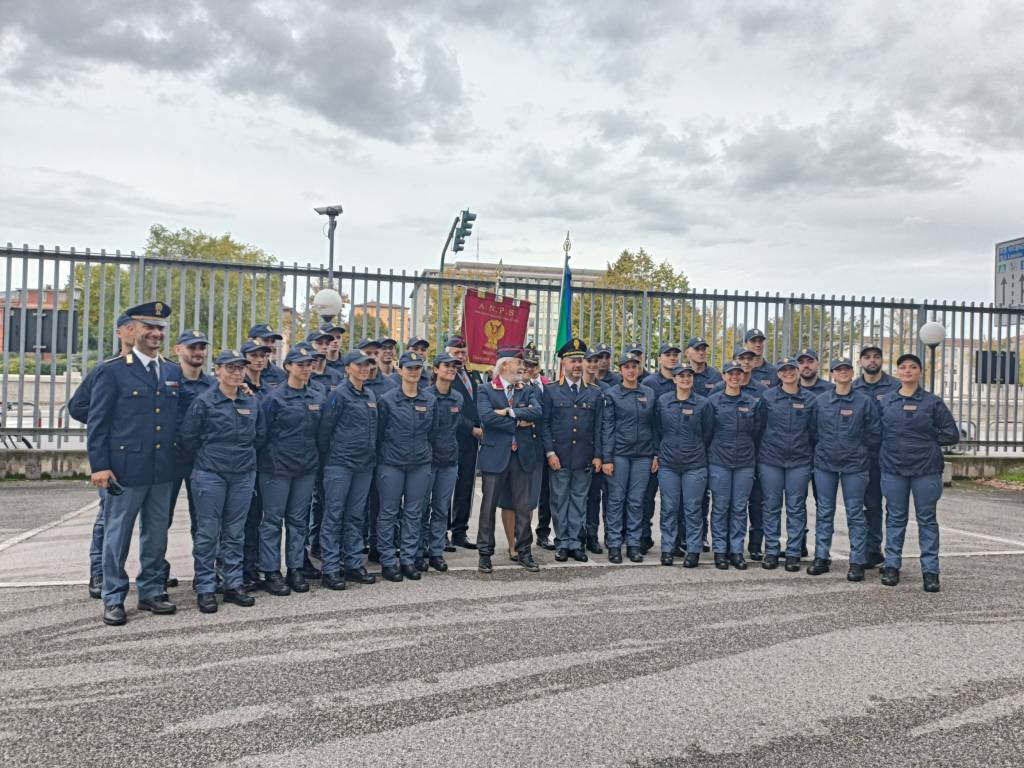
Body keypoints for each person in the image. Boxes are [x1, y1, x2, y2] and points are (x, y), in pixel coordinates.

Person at [86, 301, 182, 626]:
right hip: (125, 471)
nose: (155, 333)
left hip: (161, 470)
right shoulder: (112, 370)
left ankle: (152, 591)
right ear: (133, 329)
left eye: (160, 329)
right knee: (117, 536)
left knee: (156, 535)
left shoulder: (171, 371)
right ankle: (113, 597)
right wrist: (99, 466)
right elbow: (97, 423)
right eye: (148, 327)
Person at [180, 348, 265, 613]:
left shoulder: (251, 401)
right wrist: (210, 459)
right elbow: (189, 438)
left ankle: (233, 584)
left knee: (235, 532)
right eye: (230, 368)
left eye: (240, 368)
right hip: (210, 474)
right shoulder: (204, 402)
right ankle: (206, 587)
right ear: (217, 370)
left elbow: (260, 436)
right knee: (207, 533)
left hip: (242, 474)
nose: (236, 373)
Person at [878, 352, 959, 592]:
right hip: (893, 468)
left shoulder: (932, 402)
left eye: (913, 367)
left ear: (920, 372)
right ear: (898, 372)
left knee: (926, 520)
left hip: (926, 469)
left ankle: (930, 571)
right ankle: (891, 566)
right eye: (903, 367)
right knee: (895, 517)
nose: (908, 371)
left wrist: (926, 440)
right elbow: (875, 432)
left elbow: (951, 433)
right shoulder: (886, 401)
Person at [70, 312, 136, 600]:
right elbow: (78, 407)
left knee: (152, 520)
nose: (139, 333)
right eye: (132, 328)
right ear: (120, 332)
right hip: (117, 458)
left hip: (148, 458)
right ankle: (99, 571)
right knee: (109, 519)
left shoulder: (161, 369)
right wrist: (114, 425)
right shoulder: (107, 369)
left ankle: (154, 569)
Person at [256, 344, 323, 596]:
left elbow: (321, 433)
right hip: (276, 468)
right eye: (300, 364)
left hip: (305, 468)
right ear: (287, 367)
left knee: (298, 520)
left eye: (309, 364)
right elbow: (262, 433)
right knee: (272, 521)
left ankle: (295, 567)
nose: (306, 369)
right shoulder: (274, 398)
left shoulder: (317, 396)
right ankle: (271, 570)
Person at [812, 359, 881, 581]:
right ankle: (821, 557)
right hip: (825, 463)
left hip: (855, 465)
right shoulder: (821, 401)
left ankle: (857, 561)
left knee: (855, 513)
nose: (843, 373)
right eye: (838, 370)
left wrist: (859, 450)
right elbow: (812, 431)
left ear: (852, 373)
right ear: (832, 374)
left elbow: (874, 431)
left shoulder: (864, 401)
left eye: (846, 369)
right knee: (824, 511)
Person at [475, 346, 543, 573]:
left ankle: (524, 551)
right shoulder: (486, 389)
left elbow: (537, 412)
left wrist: (508, 412)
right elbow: (486, 418)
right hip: (495, 456)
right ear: (504, 365)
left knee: (523, 507)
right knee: (488, 506)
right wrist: (517, 423)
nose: (522, 367)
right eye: (518, 362)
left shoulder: (526, 389)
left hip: (521, 455)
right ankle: (485, 554)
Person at [317, 348, 379, 589]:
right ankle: (331, 567)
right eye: (359, 365)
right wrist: (331, 458)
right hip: (340, 464)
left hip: (364, 465)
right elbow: (325, 431)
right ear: (347, 368)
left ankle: (353, 563)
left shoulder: (370, 394)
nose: (364, 369)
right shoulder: (338, 395)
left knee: (355, 516)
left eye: (367, 365)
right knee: (333, 515)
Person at [376, 351, 437, 581]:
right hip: (391, 463)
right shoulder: (387, 400)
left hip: (419, 463)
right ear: (400, 370)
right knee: (389, 512)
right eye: (409, 368)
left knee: (414, 512)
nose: (413, 372)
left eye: (417, 368)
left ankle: (408, 560)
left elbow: (433, 430)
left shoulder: (429, 400)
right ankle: (388, 560)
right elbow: (380, 432)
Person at [542, 338, 603, 564]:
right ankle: (562, 542)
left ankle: (575, 543)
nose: (577, 365)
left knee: (579, 499)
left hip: (584, 457)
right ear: (563, 364)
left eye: (580, 361)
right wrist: (549, 453)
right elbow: (545, 425)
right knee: (559, 500)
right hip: (559, 456)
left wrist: (598, 455)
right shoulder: (550, 391)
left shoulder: (594, 393)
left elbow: (599, 428)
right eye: (573, 361)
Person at [162, 329, 216, 588]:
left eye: (202, 348)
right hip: (169, 460)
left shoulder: (214, 385)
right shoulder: (165, 380)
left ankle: (203, 573)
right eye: (192, 347)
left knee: (204, 519)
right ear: (178, 350)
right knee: (161, 518)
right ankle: (157, 570)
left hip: (201, 461)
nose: (198, 352)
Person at [758, 357, 817, 572]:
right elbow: (759, 426)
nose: (789, 373)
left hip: (799, 461)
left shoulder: (810, 399)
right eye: (784, 370)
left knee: (796, 507)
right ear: (779, 374)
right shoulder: (768, 397)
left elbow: (814, 431)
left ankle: (793, 553)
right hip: (771, 460)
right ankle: (771, 551)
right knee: (772, 506)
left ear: (798, 371)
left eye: (792, 369)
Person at [706, 360, 765, 570]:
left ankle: (737, 550)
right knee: (721, 507)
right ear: (723, 376)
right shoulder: (712, 402)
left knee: (739, 508)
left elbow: (757, 432)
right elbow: (707, 432)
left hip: (744, 462)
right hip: (719, 461)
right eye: (730, 373)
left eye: (738, 374)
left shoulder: (752, 402)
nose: (734, 377)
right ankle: (720, 551)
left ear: (742, 377)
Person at [654, 363, 713, 567]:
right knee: (669, 507)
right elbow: (658, 429)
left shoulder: (703, 404)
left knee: (693, 508)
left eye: (689, 376)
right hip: (669, 464)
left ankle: (693, 549)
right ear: (674, 379)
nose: (686, 379)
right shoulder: (663, 402)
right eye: (681, 376)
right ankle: (668, 548)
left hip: (694, 464)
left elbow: (708, 433)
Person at [601, 352, 657, 564]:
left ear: (640, 368)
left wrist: (655, 453)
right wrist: (607, 458)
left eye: (635, 366)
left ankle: (633, 544)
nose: (631, 370)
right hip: (620, 454)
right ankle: (614, 544)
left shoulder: (649, 393)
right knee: (616, 499)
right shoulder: (613, 394)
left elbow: (655, 427)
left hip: (643, 455)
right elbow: (608, 428)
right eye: (627, 367)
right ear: (621, 370)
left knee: (637, 501)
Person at [853, 343, 900, 569]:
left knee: (895, 506)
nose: (872, 361)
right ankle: (871, 550)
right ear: (860, 362)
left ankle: (893, 555)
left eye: (876, 357)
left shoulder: (895, 386)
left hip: (891, 454)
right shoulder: (853, 388)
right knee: (870, 504)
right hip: (865, 456)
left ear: (881, 360)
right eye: (867, 357)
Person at [421, 352, 464, 572]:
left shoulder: (458, 397)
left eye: (454, 366)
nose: (451, 369)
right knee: (420, 508)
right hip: (427, 460)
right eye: (446, 365)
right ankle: (419, 550)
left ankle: (436, 551)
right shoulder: (425, 396)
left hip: (449, 460)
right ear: (435, 369)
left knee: (440, 509)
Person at [640, 342, 681, 554]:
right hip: (653, 447)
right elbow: (648, 419)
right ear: (660, 358)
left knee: (673, 500)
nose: (672, 358)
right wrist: (654, 450)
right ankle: (644, 537)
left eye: (675, 354)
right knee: (647, 496)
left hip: (678, 449)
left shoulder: (684, 379)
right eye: (668, 354)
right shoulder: (650, 383)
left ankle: (674, 541)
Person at [239, 339, 273, 589]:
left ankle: (255, 565)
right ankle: (242, 569)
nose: (259, 359)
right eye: (254, 355)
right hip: (246, 460)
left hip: (270, 459)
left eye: (263, 355)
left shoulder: (272, 385)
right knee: (244, 518)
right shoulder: (239, 386)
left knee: (260, 516)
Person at [445, 334, 481, 551]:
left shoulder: (474, 375)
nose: (460, 356)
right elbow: (450, 410)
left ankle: (460, 531)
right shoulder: (445, 376)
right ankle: (441, 532)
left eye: (463, 352)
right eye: (455, 353)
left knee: (466, 486)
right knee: (445, 488)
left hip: (472, 442)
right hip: (453, 437)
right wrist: (471, 428)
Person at [518, 340, 550, 560]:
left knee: (545, 494)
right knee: (524, 495)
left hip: (545, 445)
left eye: (533, 366)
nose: (529, 370)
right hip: (524, 445)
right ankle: (522, 536)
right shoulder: (518, 387)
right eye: (525, 366)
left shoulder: (549, 385)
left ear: (538, 367)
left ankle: (543, 532)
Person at [582, 347, 612, 552]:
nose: (593, 365)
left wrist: (600, 454)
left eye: (596, 361)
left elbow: (605, 426)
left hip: (596, 451)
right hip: (577, 449)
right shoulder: (575, 387)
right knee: (576, 496)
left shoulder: (605, 389)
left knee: (594, 496)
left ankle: (592, 535)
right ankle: (575, 535)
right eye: (589, 361)